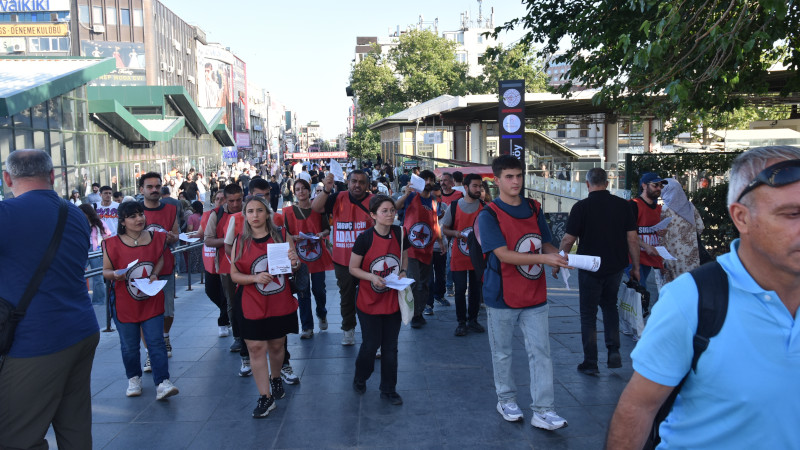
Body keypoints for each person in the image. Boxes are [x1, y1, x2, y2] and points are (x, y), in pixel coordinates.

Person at [606, 146, 800, 449]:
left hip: (670, 260)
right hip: (687, 263)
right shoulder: (693, 300)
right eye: (791, 214)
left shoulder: (667, 213)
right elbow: (638, 409)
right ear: (741, 217)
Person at [0, 149, 100, 450]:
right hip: (81, 329)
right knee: (75, 427)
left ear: (7, 179)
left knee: (16, 437)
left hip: (35, 341)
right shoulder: (75, 214)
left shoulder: (6, 214)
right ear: (53, 175)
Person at [477, 155, 572, 430]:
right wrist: (544, 259)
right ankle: (505, 399)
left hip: (534, 293)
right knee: (502, 353)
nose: (515, 181)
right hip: (501, 294)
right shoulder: (488, 215)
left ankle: (544, 410)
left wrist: (561, 258)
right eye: (509, 176)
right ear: (497, 180)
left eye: (519, 175)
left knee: (542, 353)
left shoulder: (533, 207)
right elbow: (503, 255)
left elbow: (545, 243)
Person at [556, 168, 640, 375]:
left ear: (587, 184)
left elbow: (568, 239)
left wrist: (558, 261)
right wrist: (636, 267)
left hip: (589, 266)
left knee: (588, 313)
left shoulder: (581, 207)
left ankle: (591, 362)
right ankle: (614, 351)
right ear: (607, 183)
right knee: (610, 306)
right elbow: (632, 239)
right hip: (615, 266)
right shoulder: (624, 206)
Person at [230, 195, 300, 418]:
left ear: (267, 213)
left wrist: (295, 261)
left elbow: (294, 266)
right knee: (256, 348)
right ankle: (265, 396)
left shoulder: (281, 235)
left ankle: (276, 377)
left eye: (259, 210)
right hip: (251, 302)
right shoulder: (240, 241)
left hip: (278, 300)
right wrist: (254, 278)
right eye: (250, 211)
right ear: (245, 215)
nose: (255, 215)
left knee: (277, 346)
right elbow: (234, 275)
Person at [102, 201, 179, 401]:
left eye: (141, 214)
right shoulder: (111, 243)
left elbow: (160, 258)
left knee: (156, 341)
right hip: (124, 302)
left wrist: (154, 273)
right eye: (133, 216)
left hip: (151, 299)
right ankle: (133, 378)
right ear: (122, 221)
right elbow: (106, 271)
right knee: (129, 345)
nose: (139, 219)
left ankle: (163, 382)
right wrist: (115, 274)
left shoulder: (157, 237)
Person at [349, 195, 410, 405]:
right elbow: (353, 268)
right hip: (368, 302)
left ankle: (389, 389)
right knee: (371, 344)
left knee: (390, 347)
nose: (390, 214)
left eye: (392, 210)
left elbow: (404, 256)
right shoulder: (364, 238)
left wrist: (403, 271)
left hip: (392, 301)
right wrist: (372, 277)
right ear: (373, 215)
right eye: (384, 211)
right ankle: (361, 376)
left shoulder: (400, 233)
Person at [312, 170, 374, 345]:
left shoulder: (374, 201)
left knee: (371, 298)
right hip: (343, 260)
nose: (357, 185)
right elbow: (316, 208)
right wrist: (326, 189)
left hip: (368, 261)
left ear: (367, 185)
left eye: (361, 182)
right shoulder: (336, 197)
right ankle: (348, 329)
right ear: (348, 183)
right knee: (346, 297)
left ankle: (372, 334)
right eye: (354, 181)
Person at [139, 173, 180, 365]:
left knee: (167, 311)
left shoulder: (171, 209)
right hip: (140, 269)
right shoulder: (135, 211)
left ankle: (165, 336)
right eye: (150, 187)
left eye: (157, 186)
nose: (154, 190)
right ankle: (150, 352)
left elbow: (176, 234)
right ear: (142, 190)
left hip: (166, 267)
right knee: (144, 313)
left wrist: (172, 237)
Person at [283, 179, 332, 339]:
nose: (301, 192)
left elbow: (327, 229)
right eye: (297, 189)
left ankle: (321, 312)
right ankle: (307, 327)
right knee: (303, 291)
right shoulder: (288, 212)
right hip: (299, 257)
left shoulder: (318, 208)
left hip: (317, 255)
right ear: (294, 192)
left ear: (309, 190)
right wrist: (293, 237)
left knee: (319, 289)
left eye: (304, 188)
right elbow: (284, 233)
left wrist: (321, 234)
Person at [394, 169, 441, 328]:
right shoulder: (411, 197)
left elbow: (435, 222)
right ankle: (413, 314)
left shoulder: (433, 201)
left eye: (431, 180)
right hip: (411, 249)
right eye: (425, 179)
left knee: (425, 283)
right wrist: (406, 194)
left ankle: (419, 311)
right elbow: (395, 207)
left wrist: (441, 241)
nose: (428, 182)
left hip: (427, 248)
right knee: (414, 281)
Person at [441, 173, 486, 336]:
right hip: (458, 255)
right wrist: (456, 233)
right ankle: (461, 322)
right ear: (466, 187)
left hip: (477, 256)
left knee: (476, 289)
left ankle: (473, 320)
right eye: (475, 186)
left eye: (480, 186)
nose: (478, 189)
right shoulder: (454, 206)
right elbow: (444, 229)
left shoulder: (484, 207)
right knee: (460, 289)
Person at [204, 184, 245, 355]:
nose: (235, 204)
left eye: (238, 200)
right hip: (226, 265)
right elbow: (208, 240)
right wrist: (228, 240)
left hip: (249, 264)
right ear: (225, 200)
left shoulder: (250, 210)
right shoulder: (216, 214)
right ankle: (238, 336)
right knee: (232, 301)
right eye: (231, 201)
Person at [659, 178, 705, 283]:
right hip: (691, 254)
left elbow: (660, 237)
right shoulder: (690, 207)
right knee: (691, 282)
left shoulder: (663, 211)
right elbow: (700, 227)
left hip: (672, 255)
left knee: (673, 284)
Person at [200, 191, 230, 338]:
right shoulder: (208, 215)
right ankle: (229, 312)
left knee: (225, 293)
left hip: (225, 260)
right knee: (210, 290)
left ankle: (223, 321)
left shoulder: (230, 215)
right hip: (210, 259)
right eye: (217, 199)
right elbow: (201, 233)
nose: (219, 201)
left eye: (222, 199)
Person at [630, 172, 666, 288]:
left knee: (638, 293)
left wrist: (661, 232)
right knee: (640, 291)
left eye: (661, 185)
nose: (659, 188)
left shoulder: (659, 208)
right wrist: (646, 246)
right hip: (633, 258)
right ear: (644, 185)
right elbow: (628, 233)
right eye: (655, 185)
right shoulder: (634, 205)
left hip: (649, 258)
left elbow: (654, 231)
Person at [79, 203, 112, 305]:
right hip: (82, 249)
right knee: (78, 274)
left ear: (88, 213)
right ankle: (81, 299)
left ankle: (99, 301)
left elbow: (108, 236)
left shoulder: (99, 223)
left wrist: (103, 249)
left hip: (96, 250)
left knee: (98, 276)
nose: (81, 214)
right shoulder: (79, 222)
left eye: (83, 212)